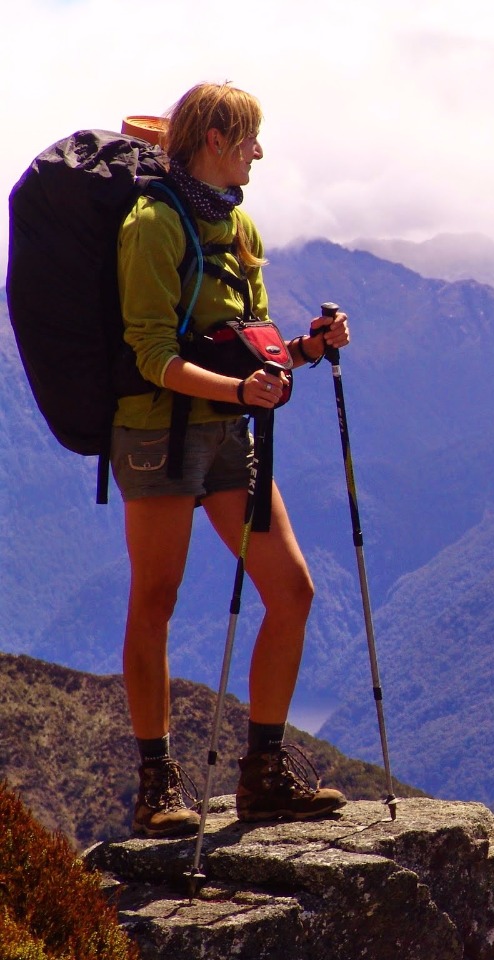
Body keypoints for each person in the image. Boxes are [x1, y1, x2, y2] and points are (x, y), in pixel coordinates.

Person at [114, 81, 348, 836]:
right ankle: (157, 783)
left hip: (229, 430)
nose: (258, 151)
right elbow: (152, 354)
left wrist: (306, 349)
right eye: (248, 137)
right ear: (213, 138)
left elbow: (249, 338)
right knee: (156, 599)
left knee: (294, 591)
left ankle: (264, 775)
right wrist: (239, 389)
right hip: (157, 432)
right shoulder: (152, 225)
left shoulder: (238, 223)